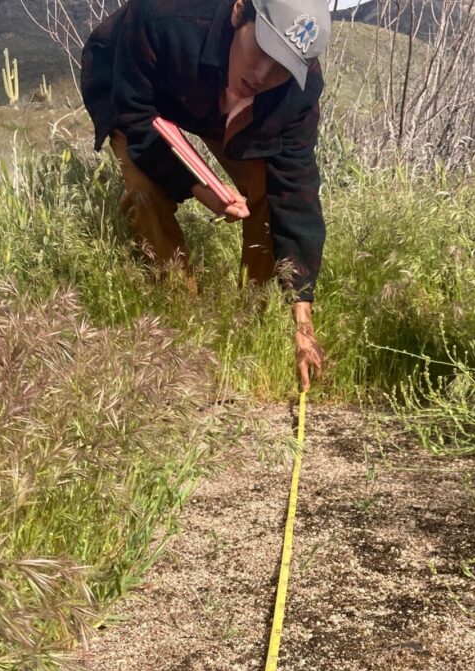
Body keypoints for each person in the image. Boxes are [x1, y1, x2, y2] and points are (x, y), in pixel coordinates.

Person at [81, 0, 330, 391]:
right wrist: (201, 188)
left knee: (264, 187)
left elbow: (295, 192)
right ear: (238, 13)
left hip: (220, 102)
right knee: (146, 189)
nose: (264, 74)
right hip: (140, 83)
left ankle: (249, 316)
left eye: (282, 67)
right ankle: (181, 315)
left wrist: (303, 321)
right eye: (263, 50)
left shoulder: (295, 93)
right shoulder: (163, 15)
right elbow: (137, 117)